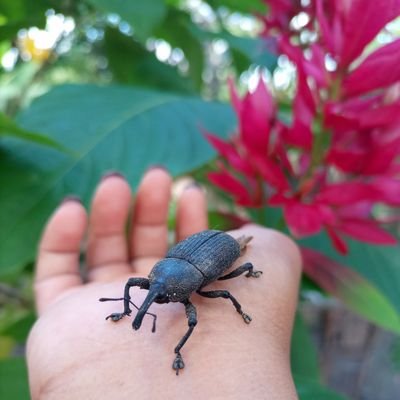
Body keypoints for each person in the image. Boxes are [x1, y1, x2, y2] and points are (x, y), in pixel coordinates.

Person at [27, 167, 301, 400]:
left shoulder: (196, 285)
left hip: (219, 250)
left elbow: (226, 296)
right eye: (157, 291)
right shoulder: (161, 278)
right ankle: (126, 312)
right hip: (186, 259)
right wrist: (131, 310)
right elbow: (143, 286)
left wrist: (241, 308)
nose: (153, 299)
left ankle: (179, 350)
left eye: (163, 294)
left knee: (222, 294)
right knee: (141, 287)